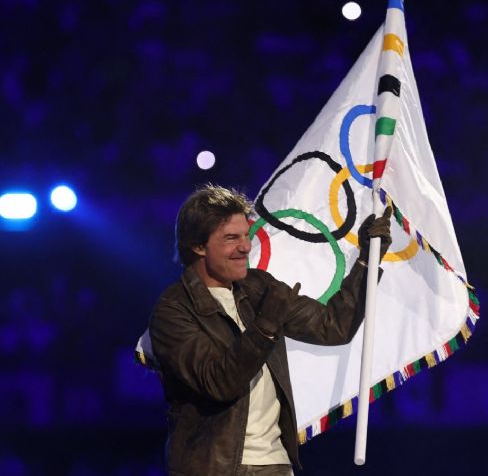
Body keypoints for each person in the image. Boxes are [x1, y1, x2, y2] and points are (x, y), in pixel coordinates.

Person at [148, 184, 392, 476]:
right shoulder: (173, 311)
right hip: (212, 468)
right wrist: (265, 326)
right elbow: (219, 383)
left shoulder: (259, 286)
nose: (245, 247)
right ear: (198, 246)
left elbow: (334, 326)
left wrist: (367, 259)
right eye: (231, 238)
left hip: (275, 464)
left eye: (246, 236)